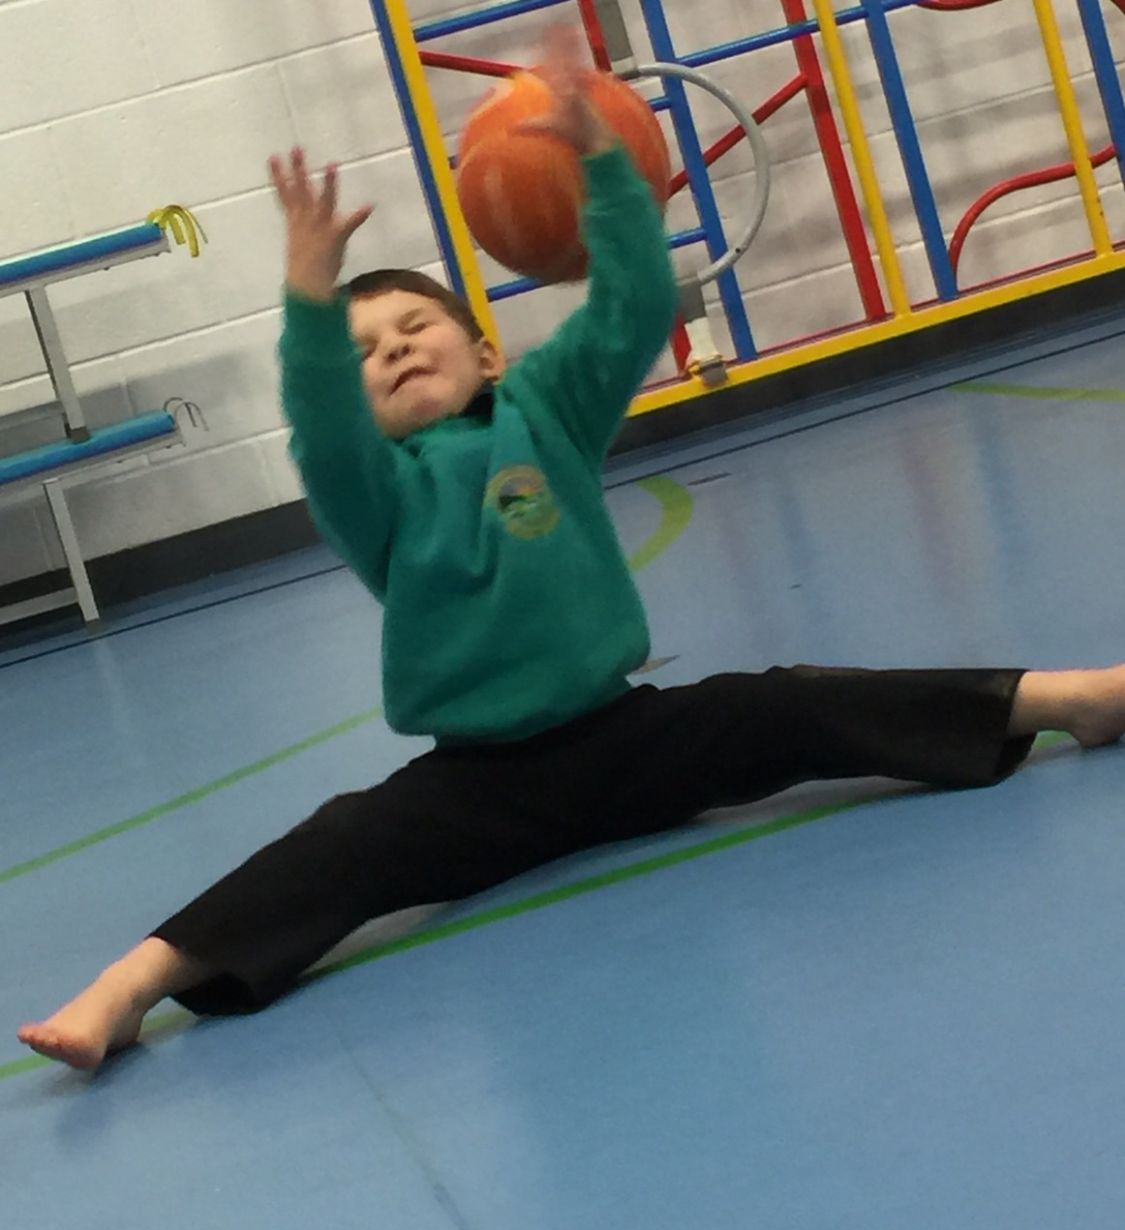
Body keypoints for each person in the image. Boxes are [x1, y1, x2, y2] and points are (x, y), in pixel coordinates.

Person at [18, 33, 1125, 1072]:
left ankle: (1063, 699)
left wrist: (602, 167)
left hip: (628, 737)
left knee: (788, 705)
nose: (392, 351)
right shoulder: (375, 494)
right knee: (334, 846)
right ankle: (129, 987)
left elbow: (633, 304)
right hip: (474, 787)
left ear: (486, 351)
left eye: (414, 329)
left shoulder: (544, 413)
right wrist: (309, 299)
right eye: (365, 354)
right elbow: (320, 426)